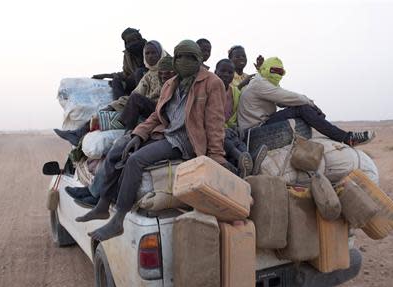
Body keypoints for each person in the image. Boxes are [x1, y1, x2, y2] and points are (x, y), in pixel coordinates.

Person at [75, 40, 227, 242]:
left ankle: (118, 219)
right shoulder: (171, 84)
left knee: (136, 160)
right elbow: (156, 116)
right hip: (166, 132)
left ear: (199, 59)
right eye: (180, 57)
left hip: (186, 140)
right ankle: (103, 205)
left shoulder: (211, 83)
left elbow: (215, 122)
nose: (184, 62)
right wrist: (139, 134)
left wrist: (216, 156)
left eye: (190, 58)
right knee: (123, 148)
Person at [65, 56, 177, 207]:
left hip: (167, 134)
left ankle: (101, 196)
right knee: (117, 152)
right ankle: (95, 193)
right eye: (161, 73)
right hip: (151, 127)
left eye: (168, 72)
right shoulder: (159, 82)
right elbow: (154, 113)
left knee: (124, 155)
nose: (164, 75)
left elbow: (165, 116)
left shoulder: (179, 87)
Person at [237, 57, 375, 146]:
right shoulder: (259, 84)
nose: (278, 74)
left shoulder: (264, 83)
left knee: (302, 108)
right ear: (265, 69)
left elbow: (282, 102)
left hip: (262, 124)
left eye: (281, 72)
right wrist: (311, 103)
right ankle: (346, 137)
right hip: (253, 132)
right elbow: (288, 97)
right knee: (302, 107)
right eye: (274, 71)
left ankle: (343, 136)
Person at [54, 40, 166, 146]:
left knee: (134, 101)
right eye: (147, 53)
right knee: (106, 114)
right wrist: (111, 107)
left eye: (153, 53)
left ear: (160, 53)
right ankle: (79, 133)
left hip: (161, 110)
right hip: (147, 110)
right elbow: (134, 94)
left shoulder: (166, 71)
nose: (150, 56)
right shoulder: (148, 75)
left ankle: (128, 133)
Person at [214, 59, 267, 177]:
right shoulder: (210, 89)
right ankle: (243, 158)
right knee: (225, 140)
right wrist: (223, 128)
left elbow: (232, 117)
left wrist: (234, 127)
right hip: (213, 130)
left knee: (238, 139)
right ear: (215, 72)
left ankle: (248, 159)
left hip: (227, 129)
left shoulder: (235, 93)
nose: (226, 75)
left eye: (230, 72)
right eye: (223, 71)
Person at [92, 27, 147, 100]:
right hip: (136, 83)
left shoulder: (151, 48)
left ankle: (140, 102)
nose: (133, 43)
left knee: (139, 72)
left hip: (151, 81)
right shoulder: (127, 54)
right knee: (116, 81)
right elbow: (126, 73)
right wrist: (106, 75)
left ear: (139, 38)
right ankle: (119, 104)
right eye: (129, 41)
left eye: (134, 39)